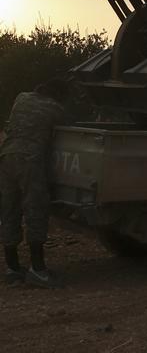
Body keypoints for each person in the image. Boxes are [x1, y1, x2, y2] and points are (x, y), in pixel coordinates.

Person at [1, 76, 76, 288]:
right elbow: (70, 126)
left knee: (10, 211)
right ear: (58, 95)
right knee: (35, 211)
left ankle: (12, 268)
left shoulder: (21, 98)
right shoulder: (54, 108)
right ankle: (38, 270)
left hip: (6, 157)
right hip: (29, 161)